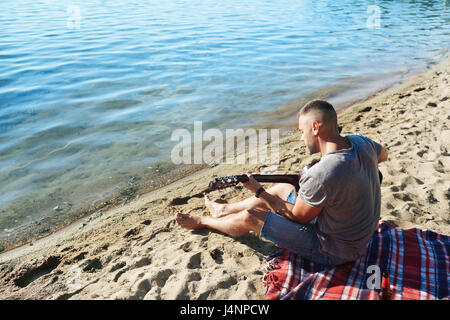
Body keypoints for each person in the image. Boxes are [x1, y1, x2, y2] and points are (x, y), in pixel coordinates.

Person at [176, 100, 388, 266]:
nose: (300, 138)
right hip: (359, 234)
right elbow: (383, 155)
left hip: (335, 250)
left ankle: (203, 221)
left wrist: (259, 191)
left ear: (315, 128)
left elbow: (298, 218)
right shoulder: (362, 142)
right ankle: (224, 209)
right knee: (283, 189)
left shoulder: (323, 173)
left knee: (251, 216)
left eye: (301, 131)